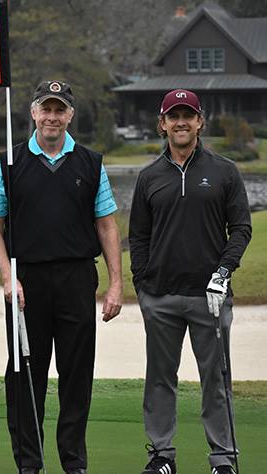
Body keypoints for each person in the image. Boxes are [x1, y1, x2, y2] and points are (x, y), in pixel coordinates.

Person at [0, 80, 123, 474]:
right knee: (26, 374)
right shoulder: (10, 162)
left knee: (77, 375)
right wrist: (8, 277)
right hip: (27, 282)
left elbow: (107, 226)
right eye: (47, 108)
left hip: (77, 279)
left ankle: (73, 462)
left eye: (60, 109)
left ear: (70, 115)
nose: (53, 116)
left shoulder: (90, 163)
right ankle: (30, 462)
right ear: (33, 112)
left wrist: (115, 283)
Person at [129, 89, 252, 474]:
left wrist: (223, 273)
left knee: (215, 380)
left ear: (200, 122)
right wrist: (143, 287)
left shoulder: (224, 171)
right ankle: (162, 456)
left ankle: (222, 459)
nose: (181, 122)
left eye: (189, 115)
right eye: (173, 116)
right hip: (161, 298)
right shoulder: (150, 177)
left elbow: (242, 229)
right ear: (162, 124)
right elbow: (138, 237)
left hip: (210, 298)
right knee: (160, 380)